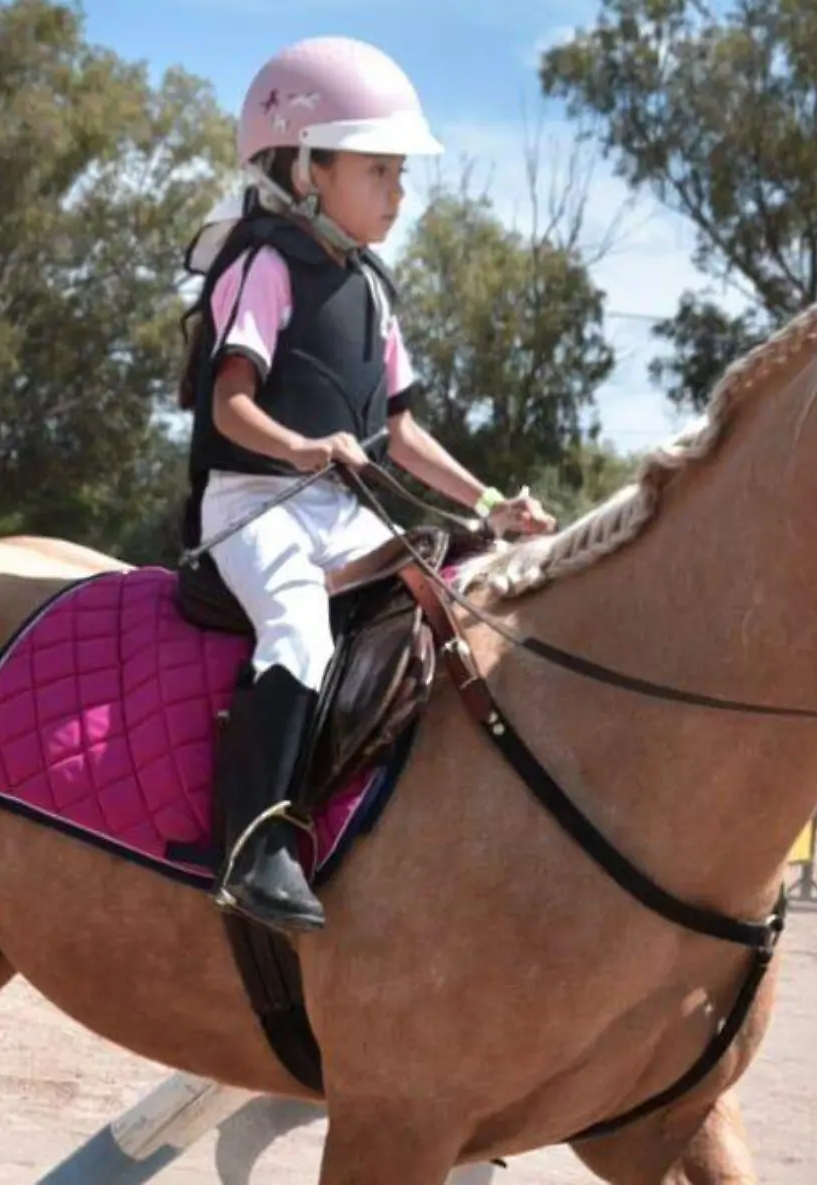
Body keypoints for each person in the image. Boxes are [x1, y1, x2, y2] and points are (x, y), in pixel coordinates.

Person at [175, 35, 557, 935]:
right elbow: (229, 408)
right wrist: (306, 449)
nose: (399, 192)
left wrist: (489, 504)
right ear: (308, 171)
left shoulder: (374, 289)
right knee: (300, 630)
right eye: (380, 171)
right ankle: (255, 844)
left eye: (400, 173)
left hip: (337, 508)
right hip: (251, 507)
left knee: (462, 593)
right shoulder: (261, 266)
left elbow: (406, 433)